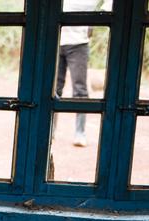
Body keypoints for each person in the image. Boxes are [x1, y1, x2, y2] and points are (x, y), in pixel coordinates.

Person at [56, 0, 108, 147]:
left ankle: (80, 133)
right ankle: (50, 132)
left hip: (79, 44)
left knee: (80, 89)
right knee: (54, 89)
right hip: (55, 41)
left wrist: (100, 15)